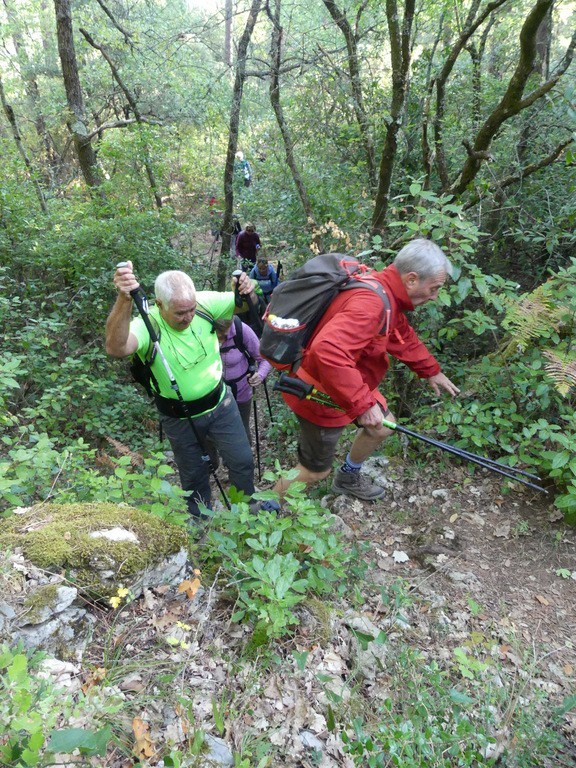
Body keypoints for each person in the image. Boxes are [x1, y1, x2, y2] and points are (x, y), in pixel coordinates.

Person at [274, 238, 460, 501]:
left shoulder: (383, 293)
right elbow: (328, 351)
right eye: (434, 288)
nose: (434, 296)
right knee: (314, 471)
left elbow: (398, 333)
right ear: (411, 279)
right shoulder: (371, 304)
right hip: (318, 392)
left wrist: (430, 370)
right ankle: (261, 513)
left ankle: (348, 477)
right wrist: (362, 404)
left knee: (383, 426)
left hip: (344, 385)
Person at [105, 263, 260, 518]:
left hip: (222, 405)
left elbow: (243, 305)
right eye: (180, 313)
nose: (188, 317)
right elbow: (116, 347)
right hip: (179, 418)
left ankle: (246, 514)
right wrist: (124, 299)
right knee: (193, 474)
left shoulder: (204, 304)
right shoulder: (147, 325)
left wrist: (247, 291)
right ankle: (201, 524)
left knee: (242, 460)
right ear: (159, 304)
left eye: (191, 309)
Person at [214, 317, 272, 441]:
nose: (221, 340)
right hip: (213, 395)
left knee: (241, 428)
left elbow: (264, 359)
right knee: (214, 433)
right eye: (218, 335)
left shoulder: (241, 330)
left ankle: (243, 458)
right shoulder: (200, 332)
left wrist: (260, 375)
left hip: (241, 392)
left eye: (224, 334)